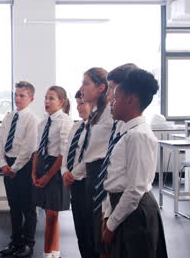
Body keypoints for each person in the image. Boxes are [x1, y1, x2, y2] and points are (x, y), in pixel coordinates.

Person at [102, 68, 168, 258]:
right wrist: (108, 213)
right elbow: (115, 177)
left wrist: (111, 224)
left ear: (130, 100)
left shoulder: (139, 135)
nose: (112, 103)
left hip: (136, 211)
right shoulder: (125, 131)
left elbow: (135, 189)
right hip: (122, 207)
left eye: (116, 98)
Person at [0, 81, 41, 257]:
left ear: (31, 99)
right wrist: (3, 164)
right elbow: (1, 142)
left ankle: (28, 244)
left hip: (24, 166)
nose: (17, 98)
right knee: (13, 206)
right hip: (8, 164)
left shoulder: (33, 120)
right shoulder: (9, 117)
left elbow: (29, 148)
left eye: (22, 95)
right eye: (16, 95)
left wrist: (13, 168)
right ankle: (15, 242)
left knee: (28, 207)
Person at [32, 86, 73, 258]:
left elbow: (63, 153)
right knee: (49, 212)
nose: (47, 102)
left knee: (52, 214)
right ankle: (54, 251)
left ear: (61, 102)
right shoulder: (43, 122)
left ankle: (47, 253)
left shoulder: (65, 121)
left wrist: (48, 176)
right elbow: (37, 150)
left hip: (55, 169)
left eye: (51, 98)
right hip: (41, 165)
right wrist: (34, 173)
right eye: (46, 98)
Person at [78, 67, 112, 258]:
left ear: (100, 87)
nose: (81, 88)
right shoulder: (96, 111)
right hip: (91, 172)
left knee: (101, 230)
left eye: (85, 83)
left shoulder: (110, 112)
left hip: (101, 173)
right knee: (92, 228)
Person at [61, 90, 92, 258]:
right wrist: (65, 171)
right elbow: (67, 152)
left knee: (90, 230)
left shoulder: (96, 128)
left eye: (83, 103)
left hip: (87, 181)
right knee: (80, 229)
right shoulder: (76, 126)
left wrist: (71, 174)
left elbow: (90, 157)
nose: (80, 107)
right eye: (78, 104)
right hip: (74, 183)